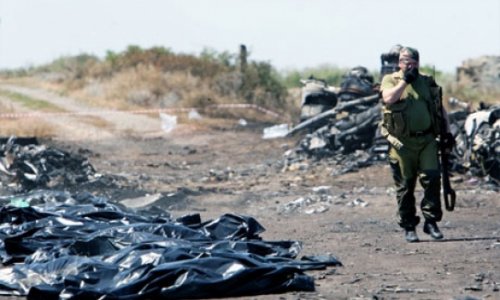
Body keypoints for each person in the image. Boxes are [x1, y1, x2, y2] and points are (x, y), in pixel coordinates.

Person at [380, 46, 453, 242]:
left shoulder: (427, 81)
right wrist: (405, 81)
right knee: (405, 185)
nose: (408, 65)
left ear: (418, 63)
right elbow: (388, 99)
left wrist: (447, 131)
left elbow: (439, 106)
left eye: (412, 62)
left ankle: (431, 222)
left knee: (431, 179)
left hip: (427, 140)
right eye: (404, 61)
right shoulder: (391, 80)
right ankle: (409, 225)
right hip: (402, 143)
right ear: (399, 63)